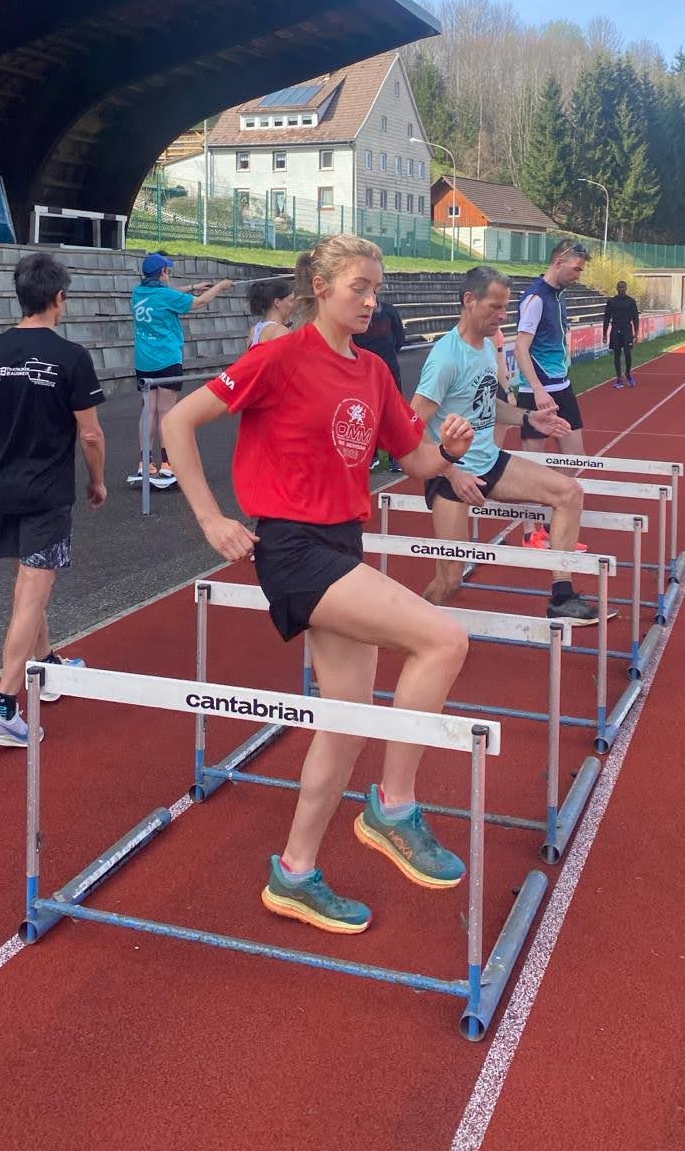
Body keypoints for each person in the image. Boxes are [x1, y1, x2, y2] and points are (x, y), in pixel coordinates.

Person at [162, 234, 478, 936]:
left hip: (342, 540)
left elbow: (416, 458)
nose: (371, 301)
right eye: (359, 287)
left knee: (347, 721)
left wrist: (449, 451)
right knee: (443, 640)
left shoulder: (372, 371)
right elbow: (178, 421)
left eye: (376, 289)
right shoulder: (279, 356)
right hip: (293, 548)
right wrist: (211, 518)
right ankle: (393, 807)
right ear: (322, 287)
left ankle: (295, 872)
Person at [0, 251, 107, 749]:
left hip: (2, 490)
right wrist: (97, 480)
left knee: (30, 581)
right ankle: (4, 707)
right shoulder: (71, 357)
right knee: (31, 595)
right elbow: (91, 434)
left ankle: (47, 664)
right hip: (46, 494)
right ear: (59, 297)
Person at [411, 266, 599, 623]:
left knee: (569, 493)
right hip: (452, 474)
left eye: (505, 308)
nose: (502, 316)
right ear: (470, 300)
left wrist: (529, 418)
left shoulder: (486, 346)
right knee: (449, 581)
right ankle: (410, 631)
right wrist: (451, 473)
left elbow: (487, 403)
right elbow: (412, 426)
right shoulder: (446, 358)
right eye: (495, 307)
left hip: (490, 461)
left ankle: (562, 597)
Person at [129, 252, 234, 489]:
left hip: (143, 362)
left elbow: (170, 294)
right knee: (166, 411)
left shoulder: (138, 293)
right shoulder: (166, 296)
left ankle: (145, 463)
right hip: (167, 360)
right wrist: (220, 286)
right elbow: (200, 303)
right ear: (163, 273)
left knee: (148, 410)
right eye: (167, 271)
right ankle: (167, 464)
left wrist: (193, 287)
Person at [514, 240, 591, 460]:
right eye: (576, 269)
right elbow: (520, 348)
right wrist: (538, 389)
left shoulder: (559, 294)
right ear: (559, 262)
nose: (578, 276)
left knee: (576, 458)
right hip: (537, 393)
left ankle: (553, 485)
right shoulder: (536, 297)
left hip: (562, 386)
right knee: (534, 463)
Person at [352, 295, 406, 469]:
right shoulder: (356, 314)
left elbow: (400, 337)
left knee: (394, 410)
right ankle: (371, 454)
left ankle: (396, 455)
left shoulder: (389, 311)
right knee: (366, 411)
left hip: (389, 367)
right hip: (365, 370)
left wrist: (388, 353)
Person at [603, 279, 641, 388]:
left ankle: (628, 373)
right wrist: (604, 334)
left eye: (623, 287)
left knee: (628, 353)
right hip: (615, 329)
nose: (621, 289)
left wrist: (636, 331)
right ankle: (619, 378)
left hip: (627, 329)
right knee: (617, 354)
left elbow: (635, 317)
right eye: (619, 287)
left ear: (626, 288)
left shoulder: (631, 301)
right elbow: (606, 318)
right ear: (617, 288)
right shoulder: (611, 301)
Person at [247, 276, 296, 350]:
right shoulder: (280, 331)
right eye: (291, 300)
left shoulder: (254, 330)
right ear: (277, 302)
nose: (294, 305)